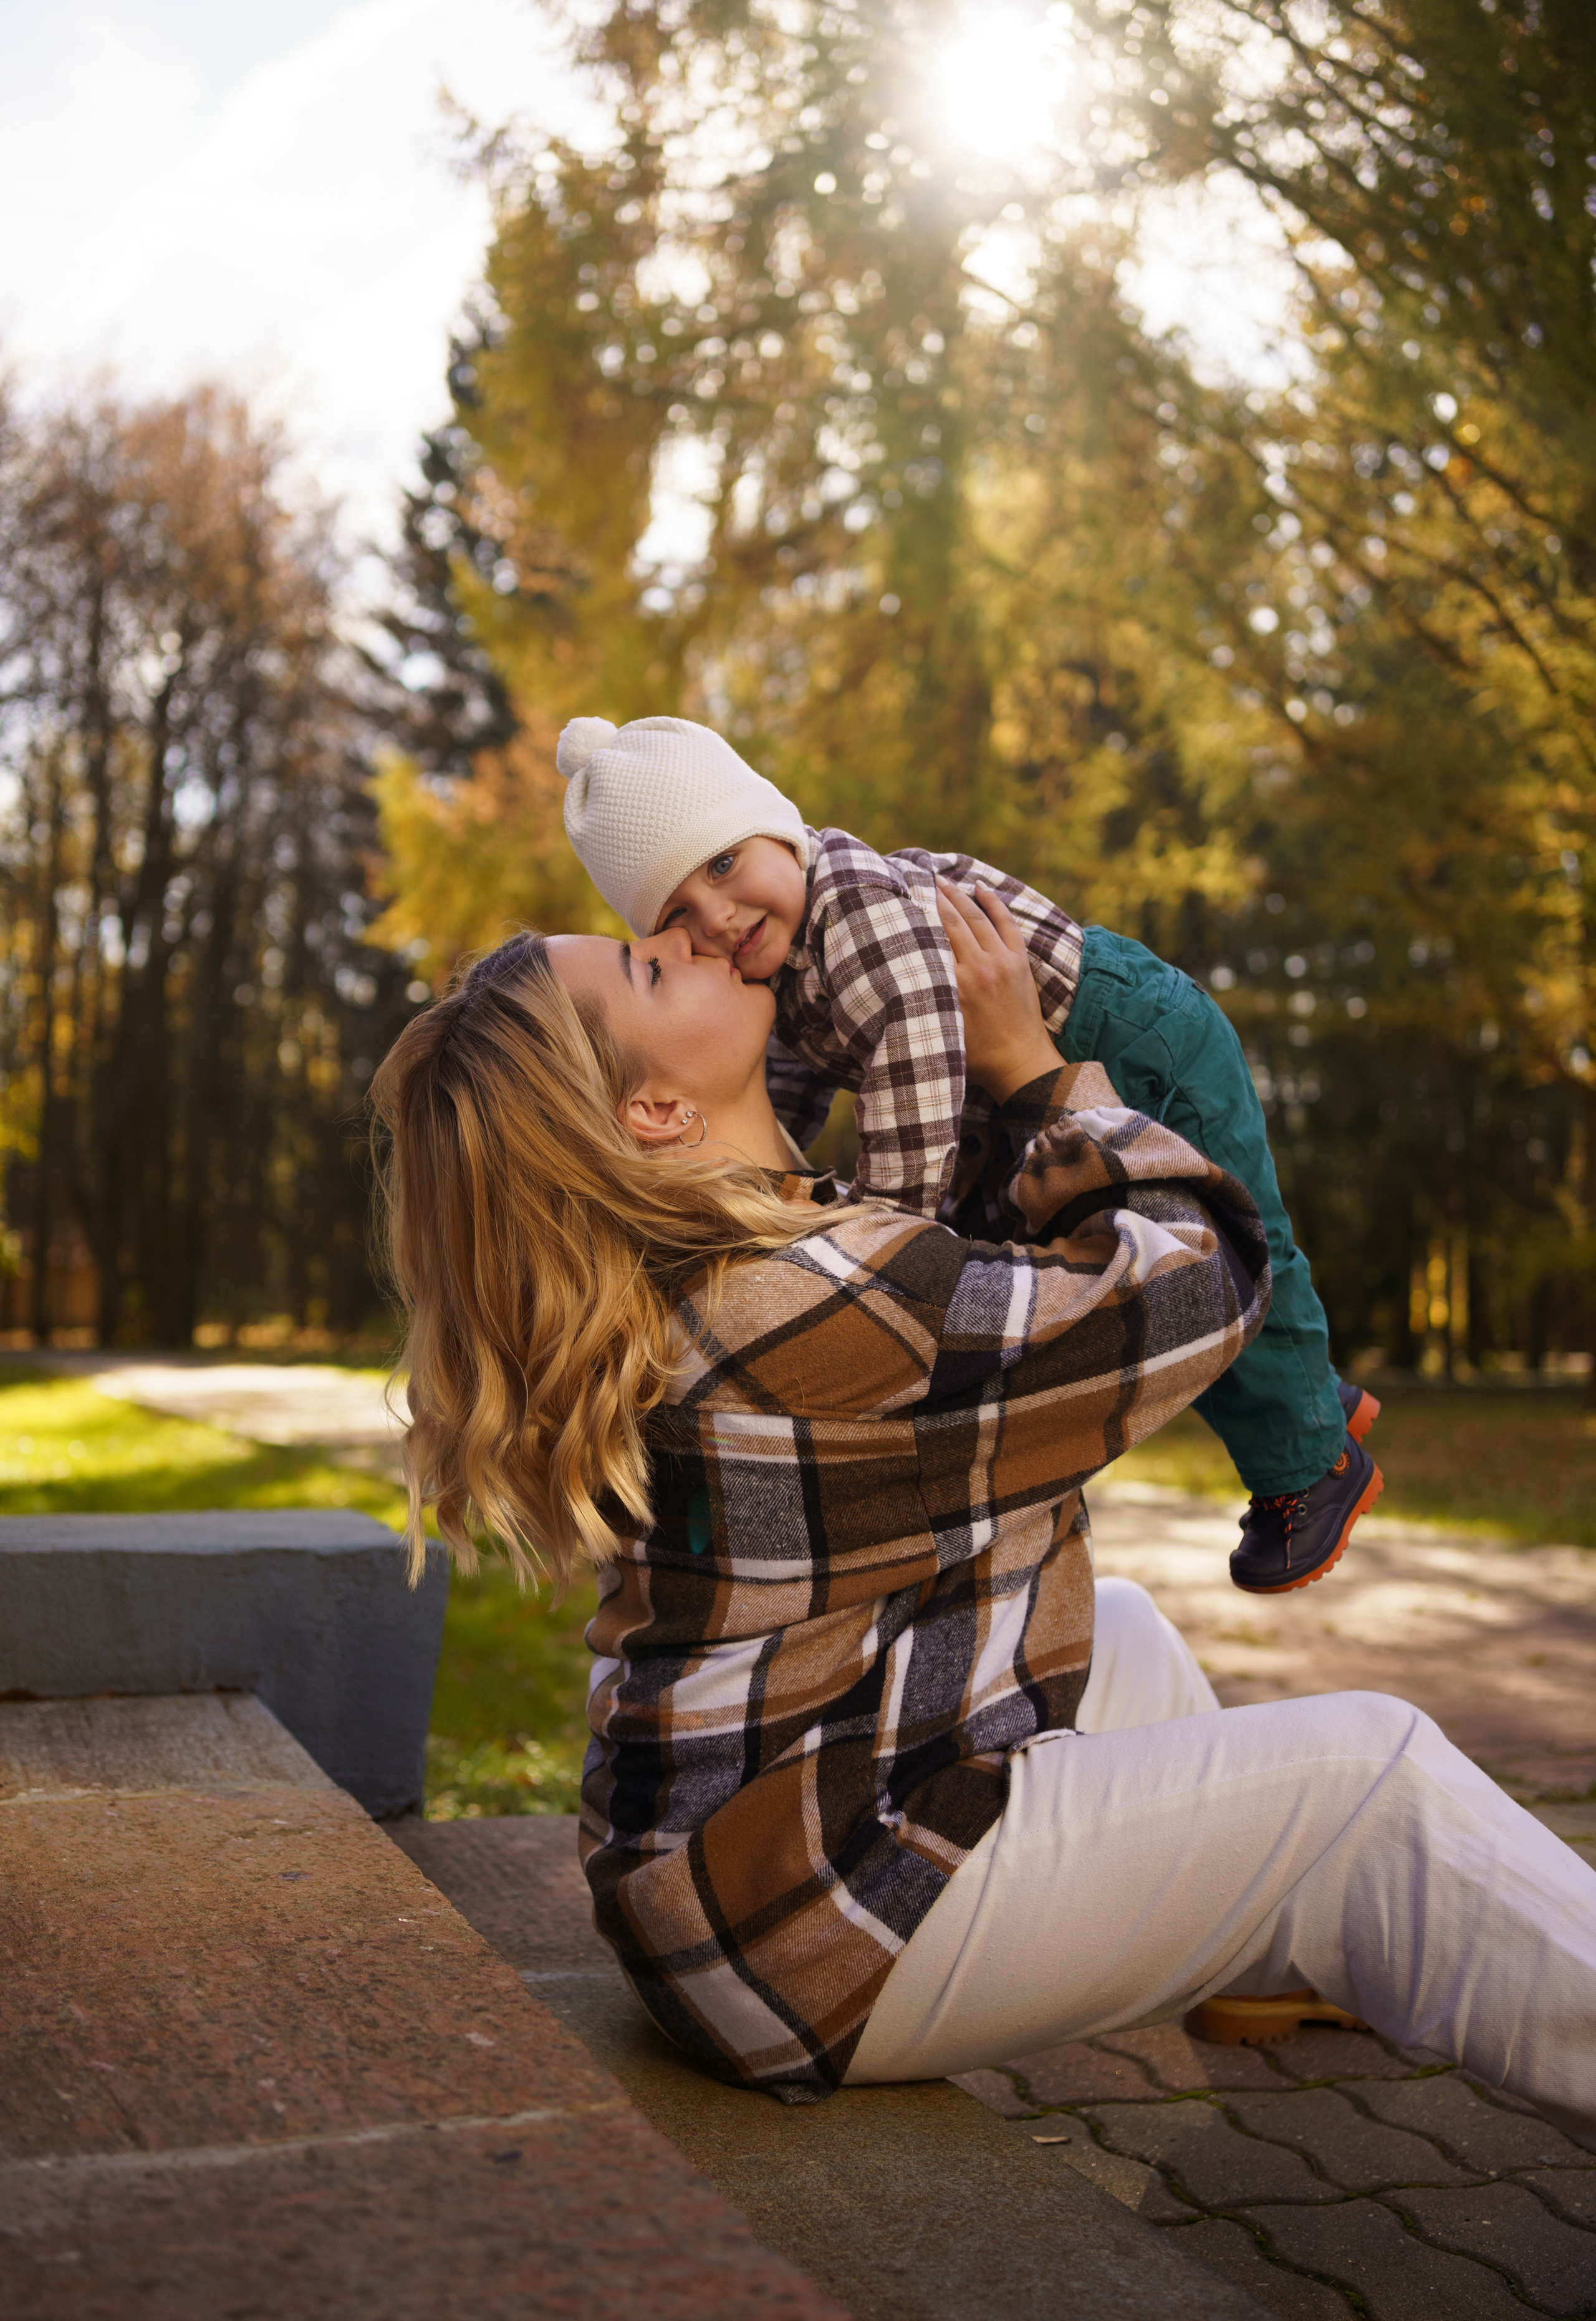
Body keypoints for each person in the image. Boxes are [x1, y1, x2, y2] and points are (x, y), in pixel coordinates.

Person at [370, 885, 1596, 2144]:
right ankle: (1333, 1904)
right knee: (1369, 1778)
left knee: (1110, 1632)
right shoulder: (790, 1300)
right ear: (654, 1109)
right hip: (818, 1935)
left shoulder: (733, 1266)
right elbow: (1194, 1293)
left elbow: (967, 1318)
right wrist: (1036, 1074)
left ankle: (1256, 1972)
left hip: (724, 1894)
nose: (688, 934)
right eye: (647, 966)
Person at [554, 711, 1378, 1598]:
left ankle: (1310, 1464)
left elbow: (912, 1052)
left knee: (1236, 1234)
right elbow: (785, 1075)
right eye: (678, 912)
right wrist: (779, 1191)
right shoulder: (778, 956)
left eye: (723, 864)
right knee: (1123, 1258)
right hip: (1021, 1092)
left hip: (1131, 1036)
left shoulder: (855, 911)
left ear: (779, 827)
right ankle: (1313, 1396)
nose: (718, 916)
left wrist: (885, 1239)